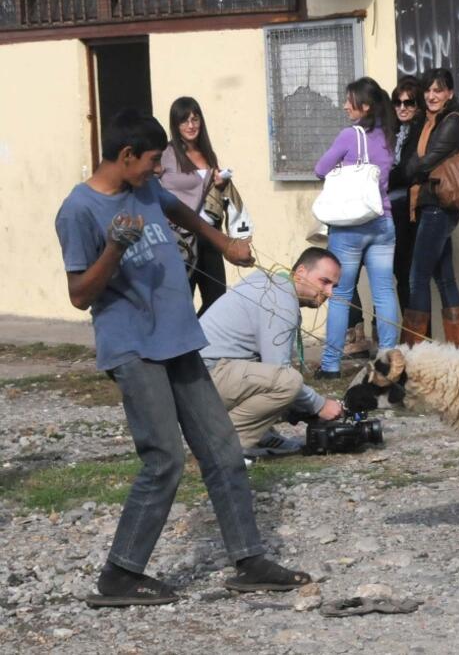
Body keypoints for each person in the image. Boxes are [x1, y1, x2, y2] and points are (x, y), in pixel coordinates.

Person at [55, 109, 310, 607]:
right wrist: (113, 248)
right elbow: (80, 295)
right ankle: (119, 576)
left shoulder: (147, 188)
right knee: (164, 459)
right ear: (126, 156)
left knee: (223, 450)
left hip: (179, 339)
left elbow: (179, 211)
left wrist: (225, 245)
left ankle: (249, 560)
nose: (157, 170)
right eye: (152, 161)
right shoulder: (78, 210)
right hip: (133, 347)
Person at [199, 247, 345, 460]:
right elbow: (279, 370)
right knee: (288, 381)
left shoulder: (272, 283)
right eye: (324, 282)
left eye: (334, 286)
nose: (330, 293)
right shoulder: (280, 300)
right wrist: (320, 405)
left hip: (202, 374)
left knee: (278, 380)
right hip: (205, 377)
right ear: (301, 272)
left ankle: (262, 436)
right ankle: (220, 448)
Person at [314, 77, 399, 379]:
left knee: (340, 294)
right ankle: (388, 360)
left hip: (350, 226)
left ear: (365, 106)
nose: (344, 105)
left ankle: (331, 365)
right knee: (385, 293)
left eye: (349, 100)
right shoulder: (388, 135)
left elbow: (320, 169)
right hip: (383, 222)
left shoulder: (350, 136)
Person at [402, 67, 459, 346]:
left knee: (417, 278)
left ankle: (414, 351)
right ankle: (458, 350)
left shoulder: (451, 123)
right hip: (429, 205)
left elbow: (424, 162)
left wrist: (406, 169)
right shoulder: (426, 122)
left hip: (438, 207)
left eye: (438, 90)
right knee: (444, 278)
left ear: (449, 93)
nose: (431, 95)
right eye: (428, 90)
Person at [159, 96, 230, 315]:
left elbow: (211, 192)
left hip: (209, 234)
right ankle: (185, 345)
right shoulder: (166, 154)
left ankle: (202, 342)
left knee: (217, 299)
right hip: (181, 238)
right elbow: (158, 187)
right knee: (182, 299)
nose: (191, 125)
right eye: (184, 121)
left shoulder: (208, 153)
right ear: (175, 124)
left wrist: (220, 182)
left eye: (195, 119)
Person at [388, 75, 427, 318]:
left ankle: (415, 336)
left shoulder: (421, 131)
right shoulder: (390, 130)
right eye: (398, 102)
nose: (403, 108)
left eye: (409, 103)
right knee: (392, 272)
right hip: (388, 207)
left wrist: (383, 178)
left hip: (409, 209)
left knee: (407, 272)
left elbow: (410, 171)